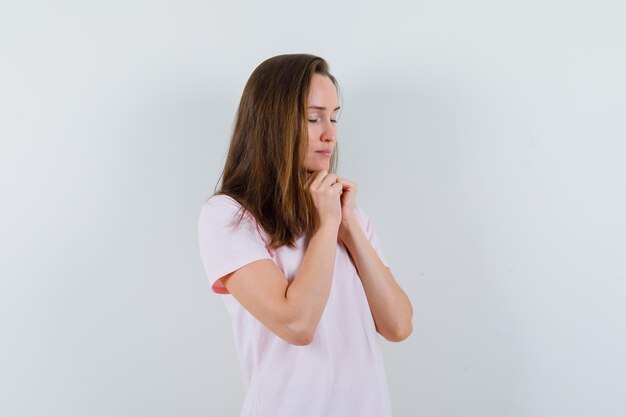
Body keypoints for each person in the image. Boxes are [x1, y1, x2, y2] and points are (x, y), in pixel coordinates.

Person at [197, 53, 413, 417]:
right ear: (272, 123)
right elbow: (297, 324)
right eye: (313, 118)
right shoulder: (228, 217)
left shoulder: (348, 216)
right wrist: (326, 227)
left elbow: (398, 325)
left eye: (334, 117)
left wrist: (347, 227)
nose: (330, 133)